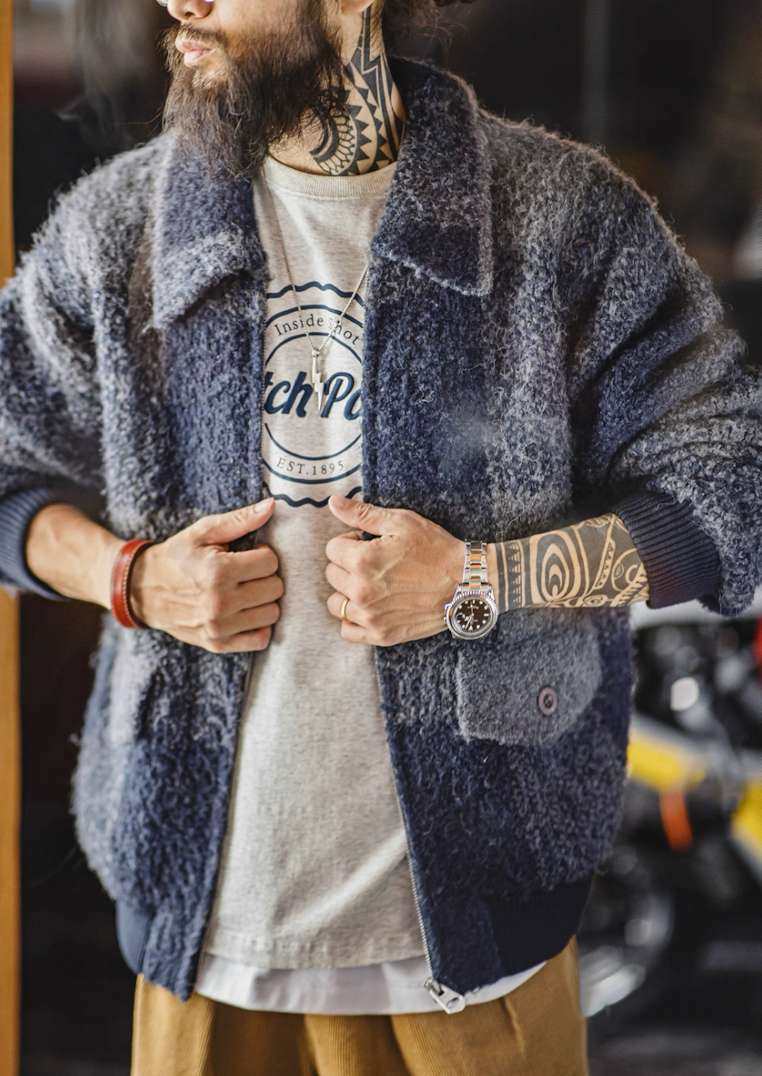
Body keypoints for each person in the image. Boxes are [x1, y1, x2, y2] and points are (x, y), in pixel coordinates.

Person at [0, 0, 760, 1072]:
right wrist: (129, 577)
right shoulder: (124, 226)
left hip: (481, 960)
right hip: (200, 955)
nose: (180, 2)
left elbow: (730, 485)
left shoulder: (563, 218)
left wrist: (481, 581)